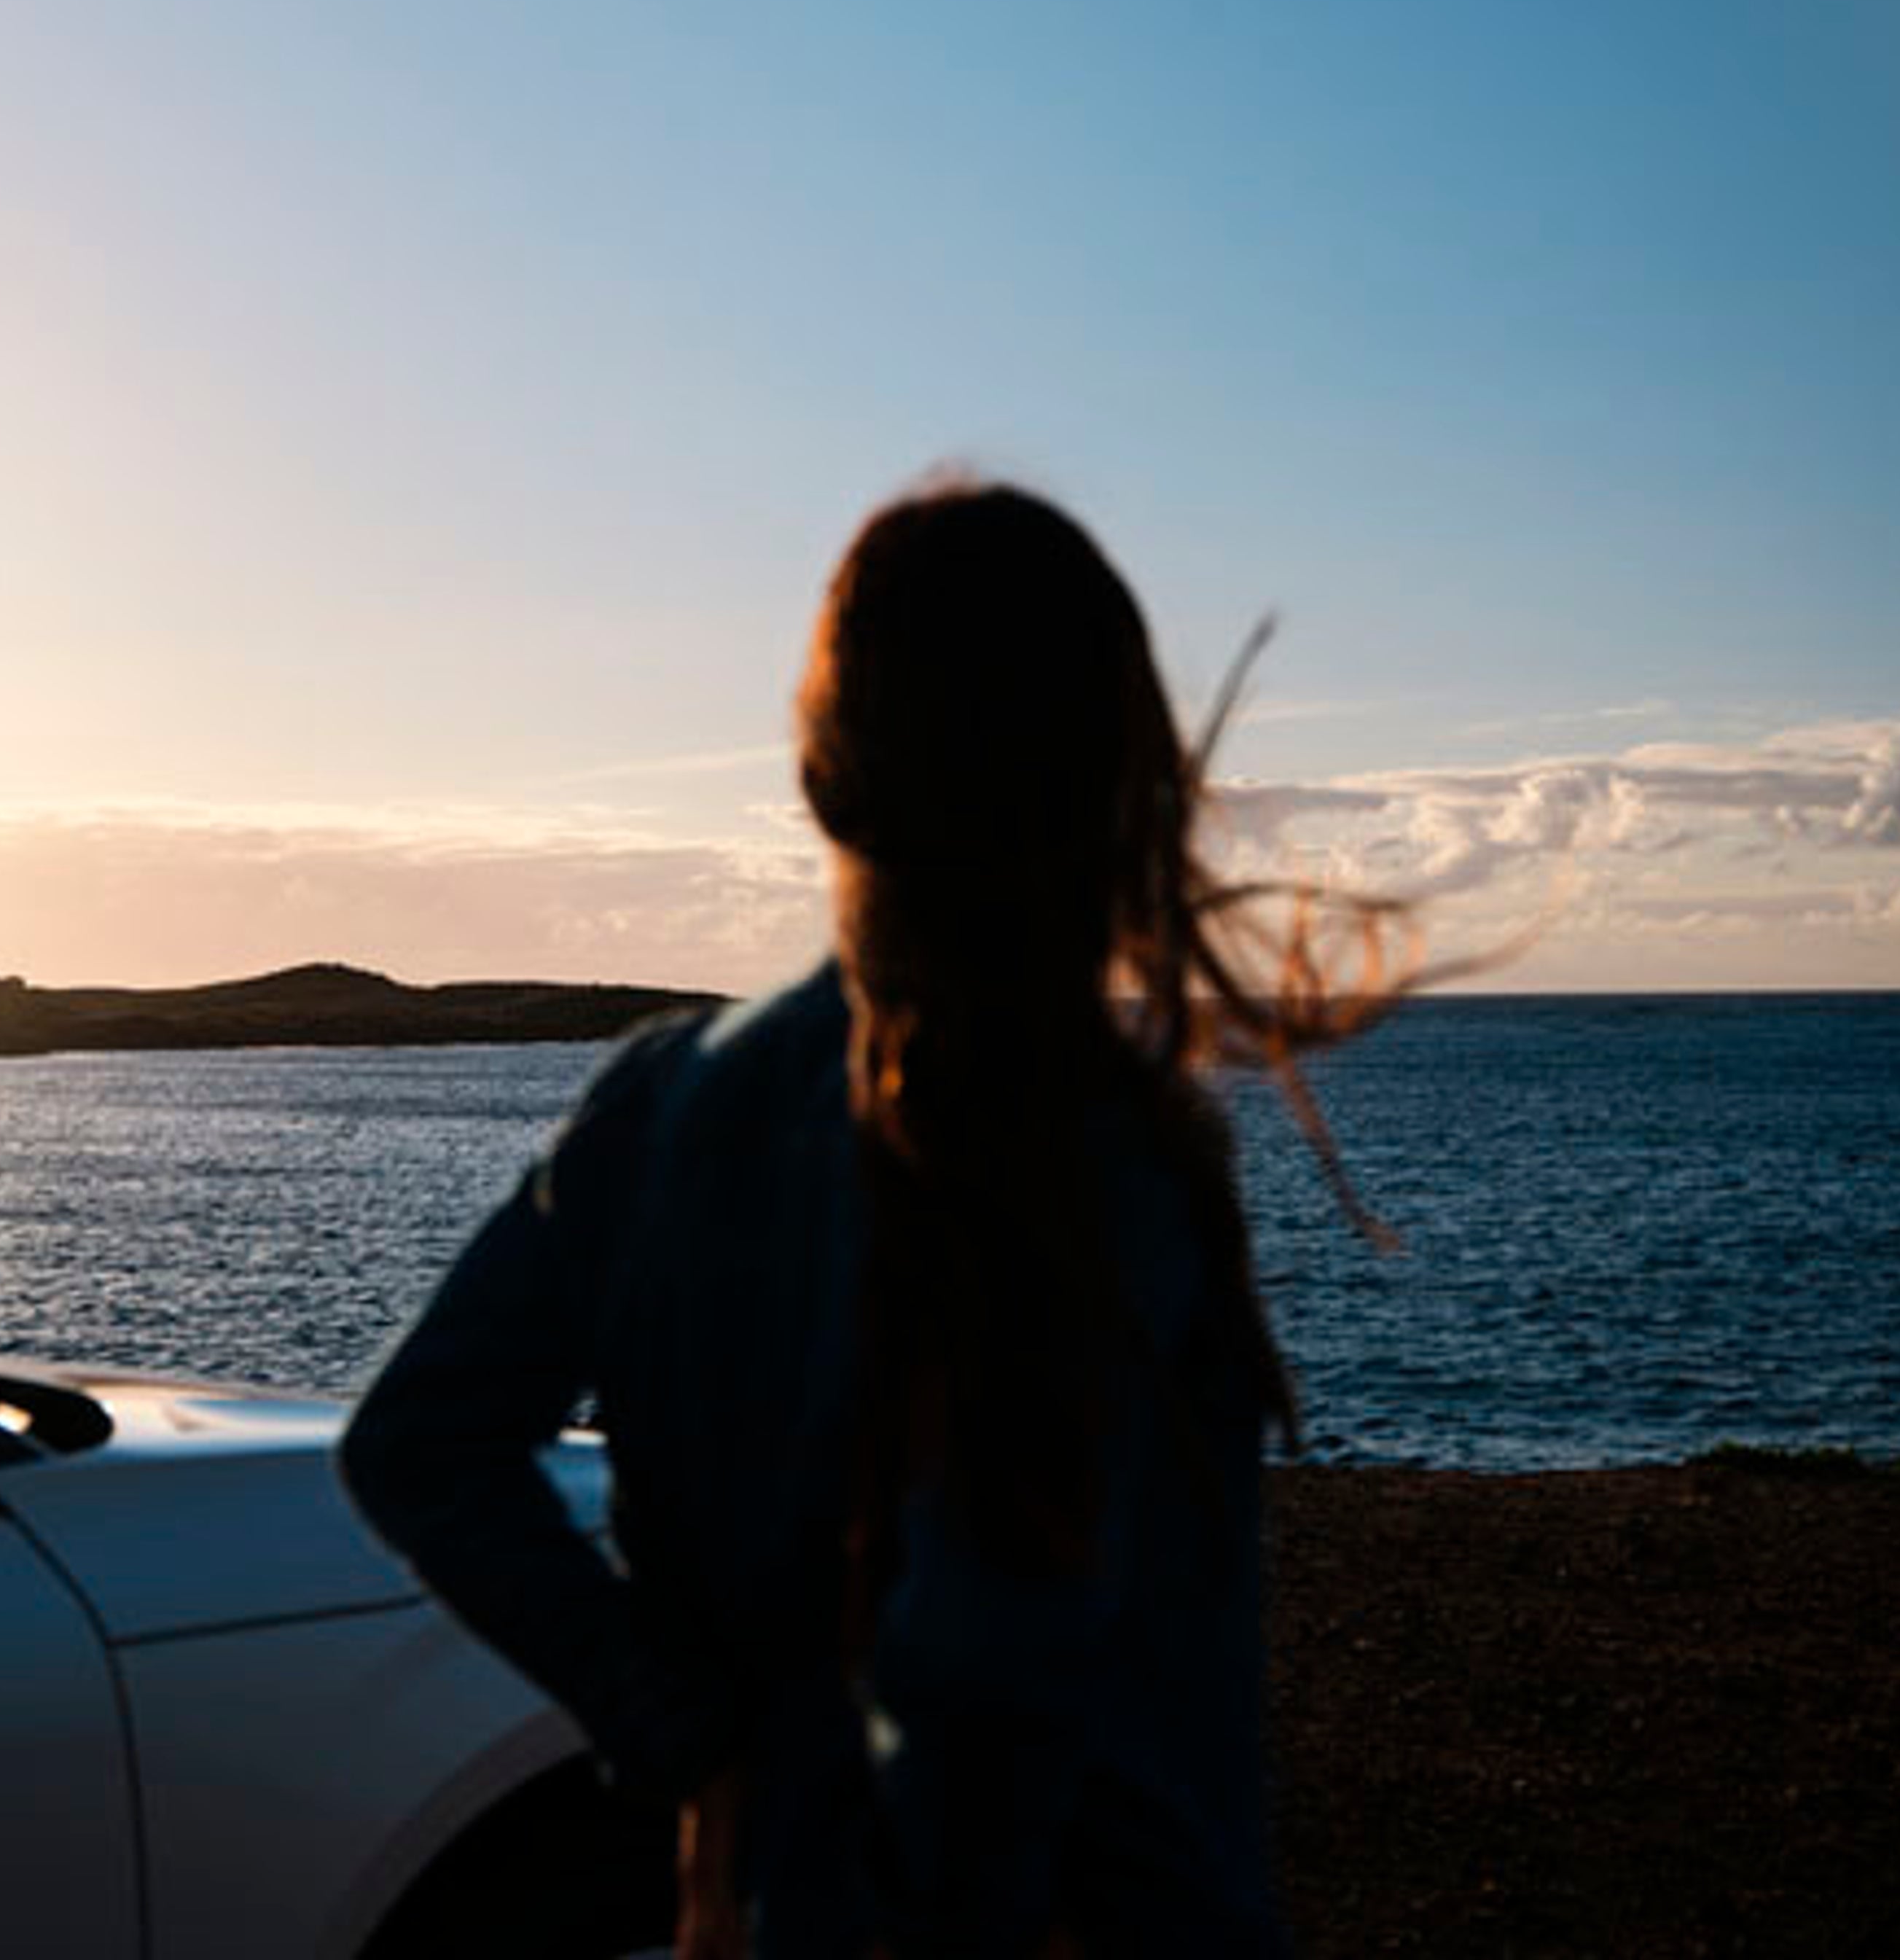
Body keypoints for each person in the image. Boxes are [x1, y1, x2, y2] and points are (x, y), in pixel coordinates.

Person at [339, 479, 1404, 1957]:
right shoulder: (1098, 1131)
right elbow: (985, 1655)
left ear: (827, 775)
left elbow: (418, 1444)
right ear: (1119, 769)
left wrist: (692, 1737)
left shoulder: (657, 1106)